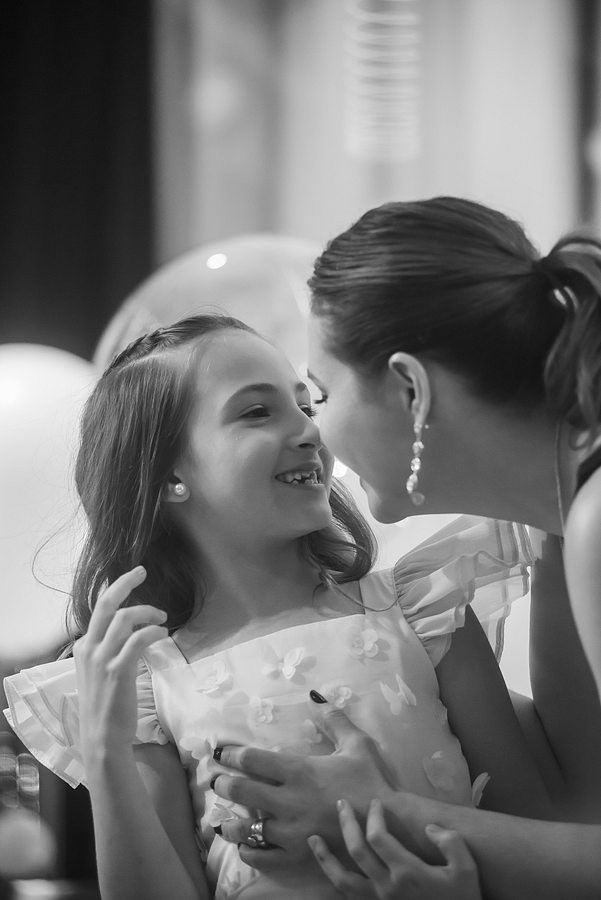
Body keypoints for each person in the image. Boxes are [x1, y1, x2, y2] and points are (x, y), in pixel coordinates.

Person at [2, 313, 567, 899]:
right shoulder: (149, 686)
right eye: (256, 412)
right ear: (168, 476)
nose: (309, 431)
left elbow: (536, 841)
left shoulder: (420, 610)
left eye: (305, 405)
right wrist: (107, 751)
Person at [209, 198, 601, 899]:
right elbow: (582, 813)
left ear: (410, 389)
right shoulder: (559, 536)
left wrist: (387, 815)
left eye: (319, 394)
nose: (313, 432)